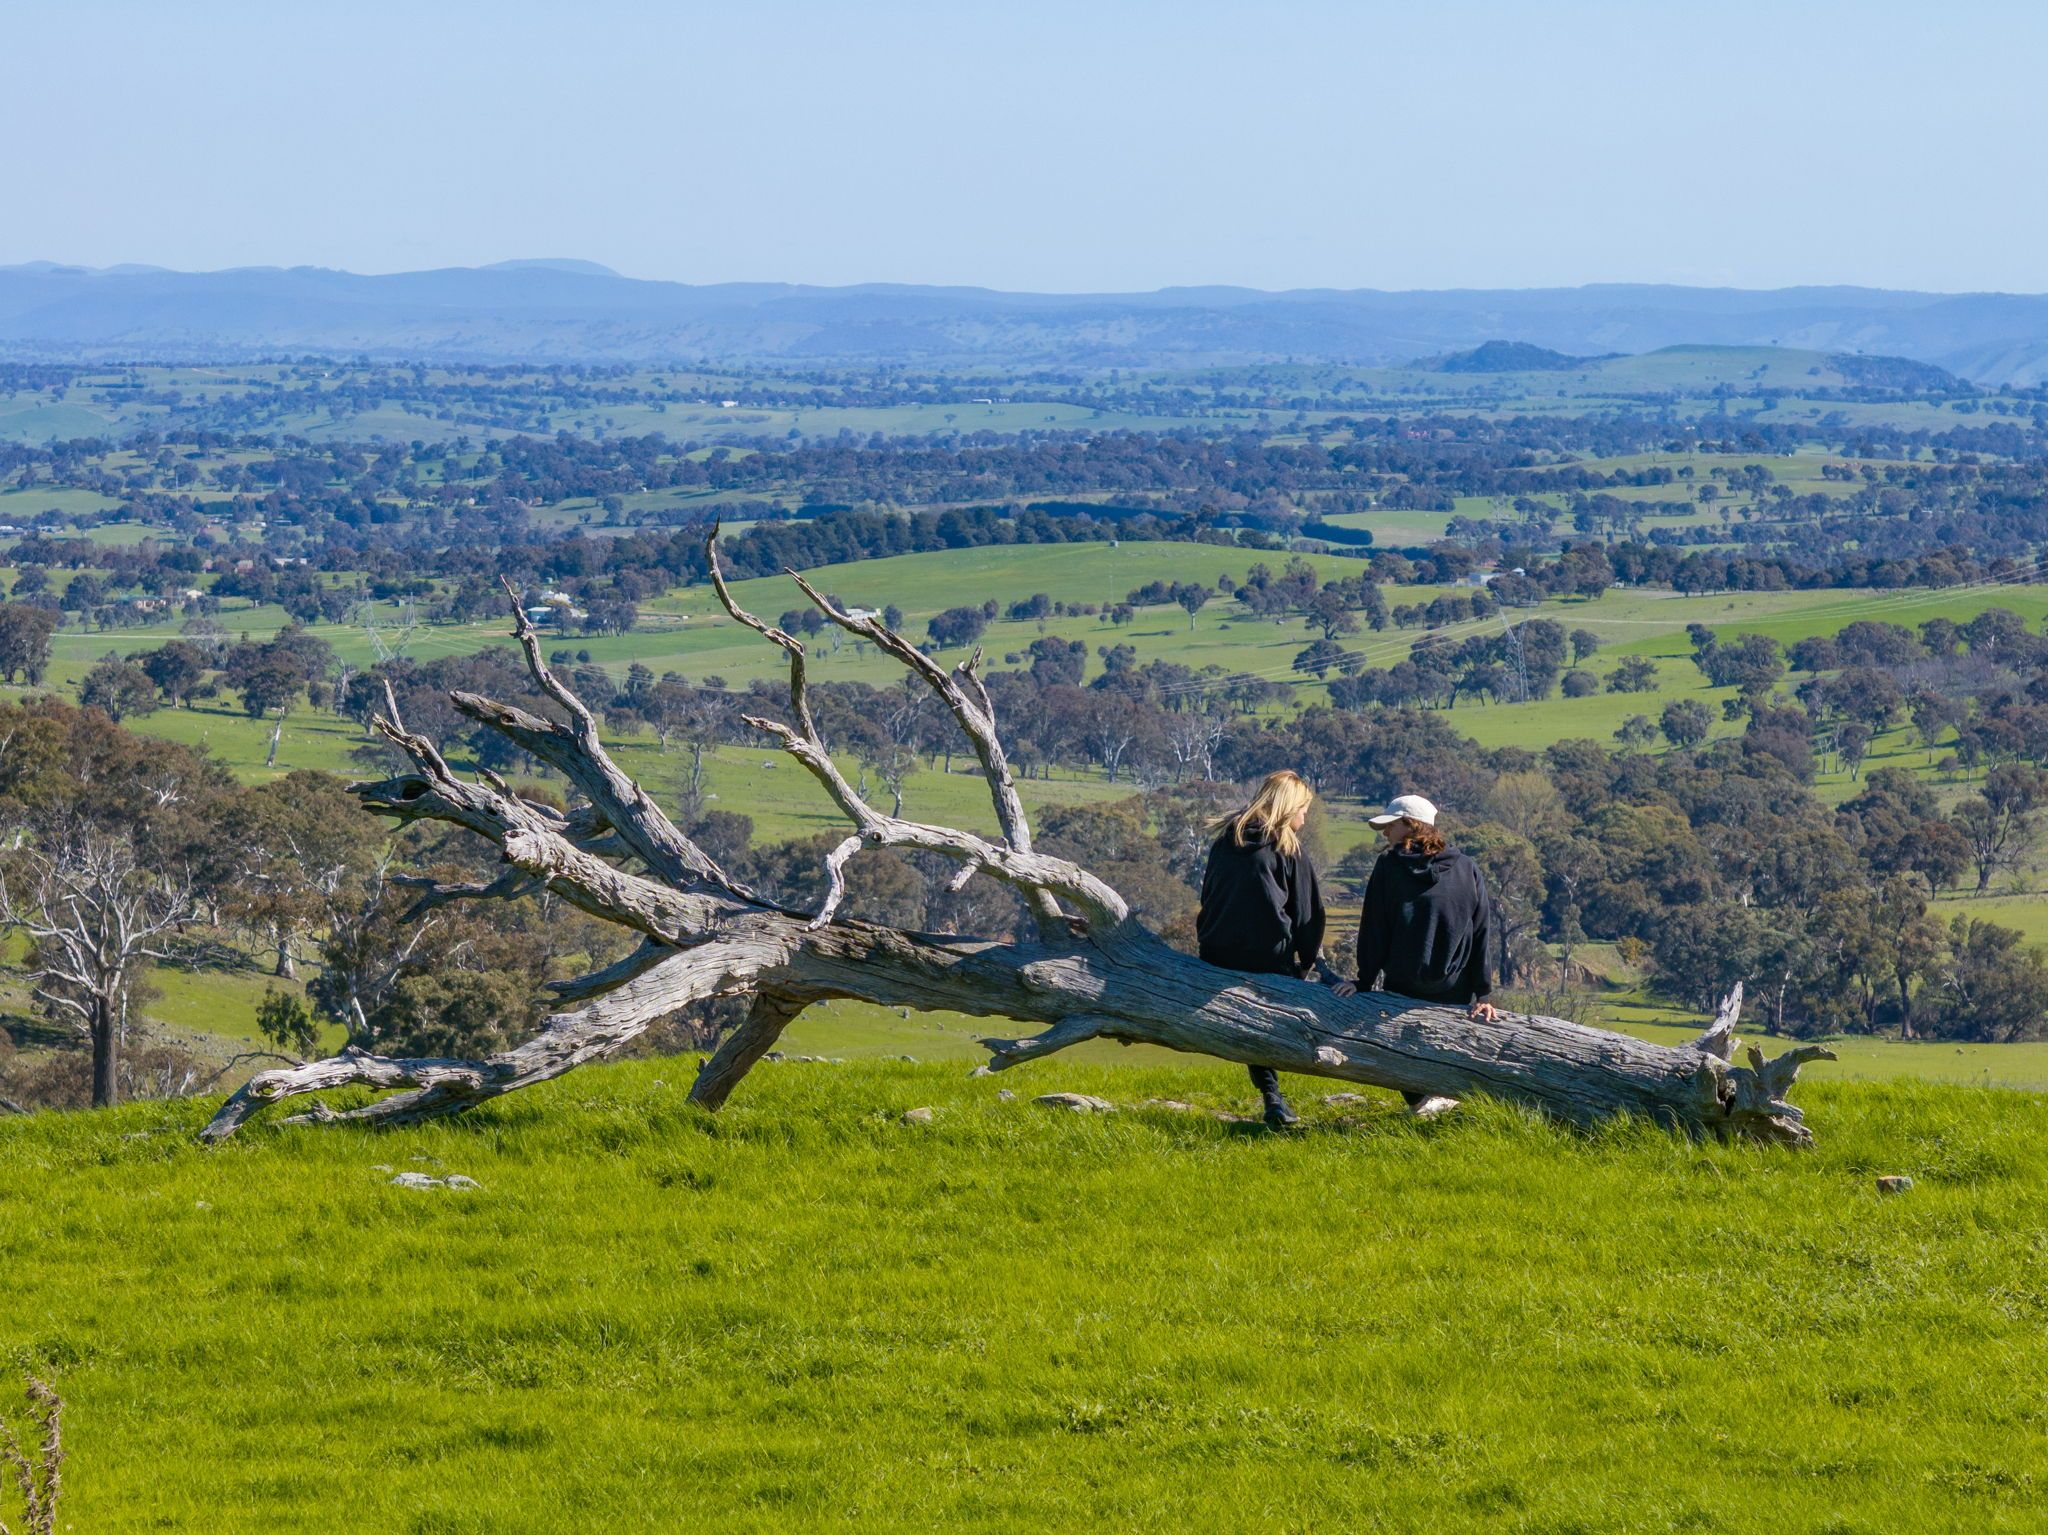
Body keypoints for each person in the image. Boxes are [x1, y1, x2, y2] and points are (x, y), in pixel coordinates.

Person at [1196, 769, 1329, 1129]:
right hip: (1266, 956)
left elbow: (1208, 896)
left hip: (1215, 952)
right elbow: (1308, 914)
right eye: (1303, 810)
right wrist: (1307, 962)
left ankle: (1272, 1095)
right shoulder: (1286, 848)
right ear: (1289, 809)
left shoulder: (1227, 839)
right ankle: (1275, 1096)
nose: (1305, 818)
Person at [1333, 795, 1500, 1056]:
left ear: (1412, 825)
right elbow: (1480, 933)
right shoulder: (1467, 868)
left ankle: (1425, 1100)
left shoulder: (1388, 866)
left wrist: (1364, 980)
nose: (1386, 832)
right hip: (1455, 993)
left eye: (1391, 825)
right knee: (1445, 1061)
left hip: (1401, 990)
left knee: (1401, 1062)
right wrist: (1483, 994)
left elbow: (1375, 928)